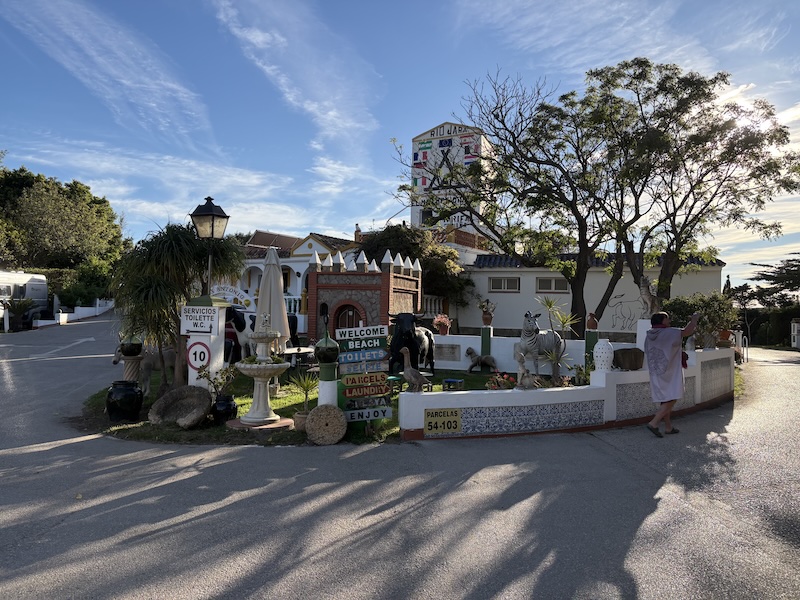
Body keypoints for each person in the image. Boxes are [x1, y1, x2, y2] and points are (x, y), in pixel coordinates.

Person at [644, 311, 700, 437]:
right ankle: (654, 422)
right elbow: (687, 331)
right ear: (662, 320)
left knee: (665, 399)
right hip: (670, 371)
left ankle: (668, 427)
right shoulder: (668, 332)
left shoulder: (650, 335)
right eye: (667, 318)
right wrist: (694, 320)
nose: (669, 321)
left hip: (656, 371)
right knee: (673, 396)